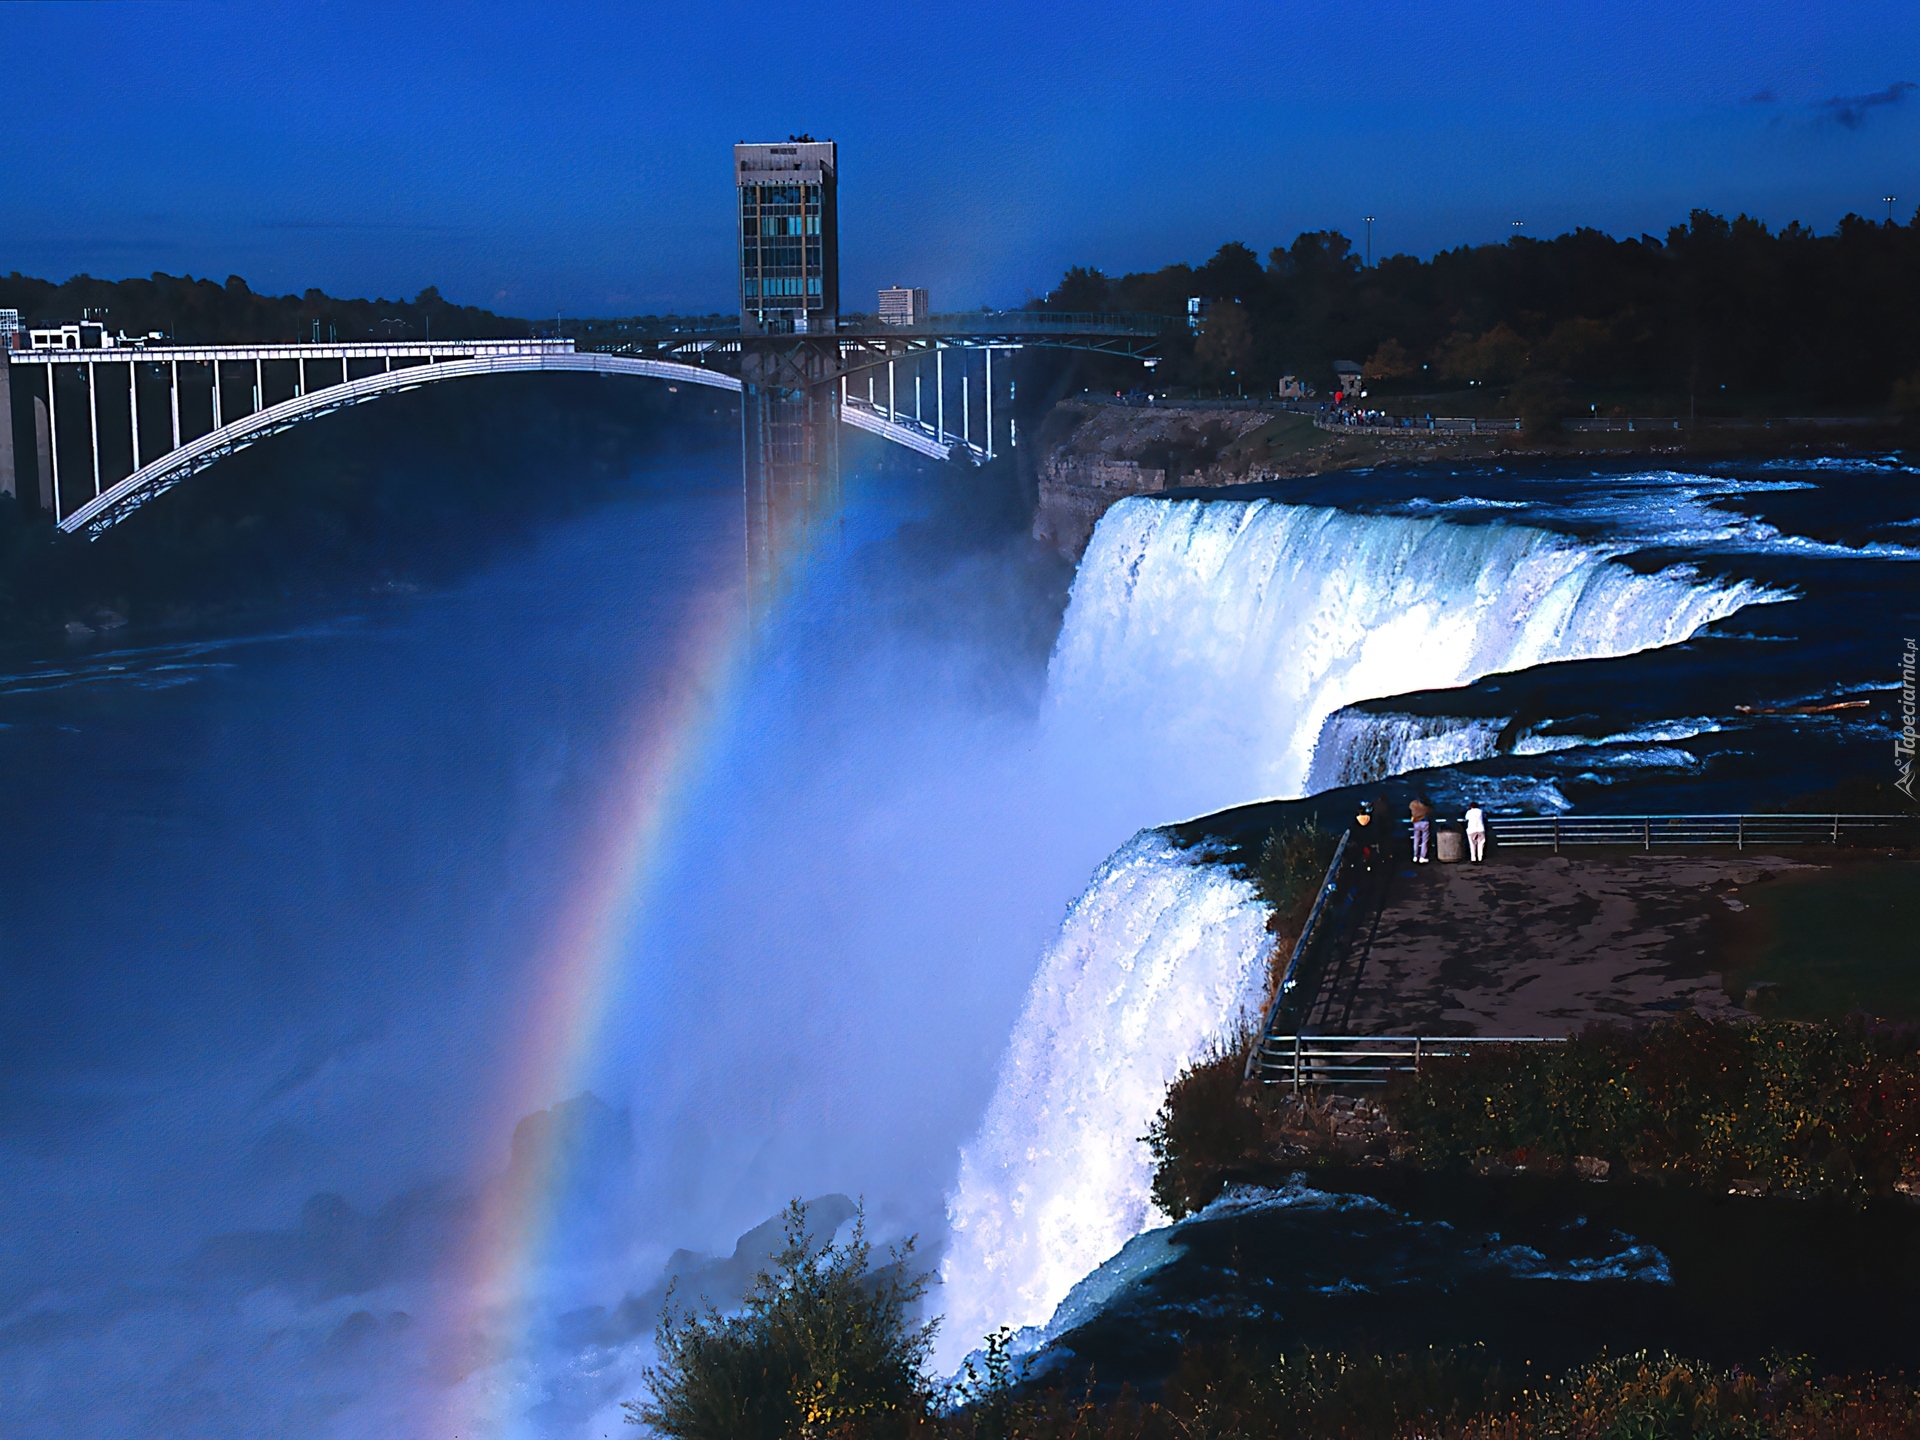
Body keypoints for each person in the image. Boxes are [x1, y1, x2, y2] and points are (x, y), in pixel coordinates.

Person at [1409, 797, 1432, 863]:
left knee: (1416, 839)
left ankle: (1415, 856)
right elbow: (1430, 811)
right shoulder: (1425, 806)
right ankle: (1422, 857)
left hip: (1416, 822)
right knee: (1424, 841)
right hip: (1424, 822)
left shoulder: (1413, 804)